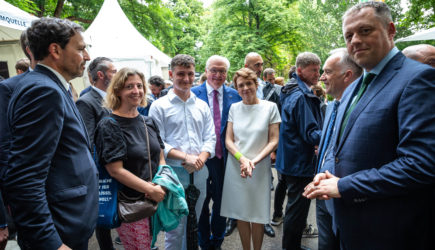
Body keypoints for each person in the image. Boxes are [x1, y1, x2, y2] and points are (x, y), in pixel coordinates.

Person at [303, 2, 435, 249]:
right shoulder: (352, 87)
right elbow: (343, 146)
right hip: (347, 226)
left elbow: (420, 164)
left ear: (390, 30)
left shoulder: (417, 79)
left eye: (365, 31)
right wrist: (328, 174)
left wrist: (343, 185)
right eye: (349, 35)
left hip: (388, 232)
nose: (355, 40)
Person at [2, 18, 98, 250]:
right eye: (80, 48)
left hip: (68, 223)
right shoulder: (43, 90)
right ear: (55, 50)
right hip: (60, 230)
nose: (86, 57)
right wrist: (51, 243)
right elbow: (24, 178)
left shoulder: (49, 85)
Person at [148, 54, 216, 250]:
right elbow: (158, 142)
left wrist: (199, 160)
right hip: (173, 174)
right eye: (180, 74)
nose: (186, 79)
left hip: (200, 172)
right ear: (171, 74)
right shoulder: (159, 106)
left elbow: (210, 138)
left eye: (190, 74)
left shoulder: (202, 106)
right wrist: (186, 157)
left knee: (193, 224)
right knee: (175, 228)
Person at [94, 67, 166, 249]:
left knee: (149, 245)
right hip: (131, 203)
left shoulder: (147, 120)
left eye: (140, 86)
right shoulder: (109, 125)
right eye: (129, 86)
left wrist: (161, 183)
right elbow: (115, 170)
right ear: (117, 90)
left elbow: (160, 156)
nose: (136, 91)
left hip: (154, 200)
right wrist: (149, 189)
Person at [220, 68, 281, 250]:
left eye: (249, 84)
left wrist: (253, 161)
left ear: (256, 84)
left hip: (259, 167)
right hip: (237, 166)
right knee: (241, 213)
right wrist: (243, 159)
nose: (245, 88)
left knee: (258, 214)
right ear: (237, 89)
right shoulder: (234, 108)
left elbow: (274, 140)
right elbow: (229, 140)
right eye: (241, 85)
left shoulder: (270, 107)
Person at [192, 55, 242, 250]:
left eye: (222, 71)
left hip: (225, 160)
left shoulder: (235, 95)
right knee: (201, 204)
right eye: (214, 70)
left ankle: (217, 241)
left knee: (223, 204)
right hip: (201, 159)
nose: (217, 75)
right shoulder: (193, 94)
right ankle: (204, 242)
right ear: (206, 71)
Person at [275, 52, 323, 250]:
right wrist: (332, 133)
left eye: (318, 70)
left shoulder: (289, 89)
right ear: (300, 70)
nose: (318, 74)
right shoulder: (301, 96)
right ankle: (291, 247)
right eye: (314, 70)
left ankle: (291, 245)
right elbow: (311, 133)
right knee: (297, 209)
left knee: (294, 207)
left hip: (289, 158)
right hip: (299, 161)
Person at [315, 48, 362, 250]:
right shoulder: (332, 105)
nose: (321, 77)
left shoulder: (363, 109)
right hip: (322, 191)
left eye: (327, 72)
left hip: (346, 195)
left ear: (347, 75)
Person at [76, 56, 117, 250]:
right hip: (102, 169)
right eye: (113, 71)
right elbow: (88, 141)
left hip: (116, 165)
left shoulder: (111, 98)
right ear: (101, 75)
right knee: (103, 218)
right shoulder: (86, 101)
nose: (116, 75)